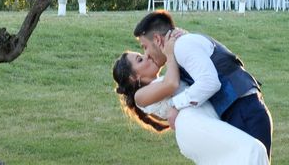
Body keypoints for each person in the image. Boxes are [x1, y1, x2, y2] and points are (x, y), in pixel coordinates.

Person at [113, 30, 269, 164]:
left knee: (243, 157)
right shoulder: (140, 96)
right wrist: (170, 55)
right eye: (140, 59)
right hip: (194, 125)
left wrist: (180, 37)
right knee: (253, 150)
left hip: (210, 119)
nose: (147, 56)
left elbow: (194, 64)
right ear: (134, 77)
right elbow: (172, 84)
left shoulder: (168, 75)